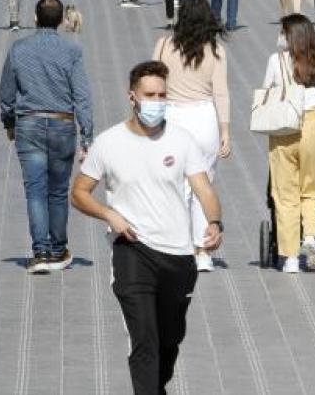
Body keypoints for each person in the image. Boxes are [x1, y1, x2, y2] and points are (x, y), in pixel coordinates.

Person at [71, 60, 223, 395]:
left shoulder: (181, 141)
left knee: (169, 341)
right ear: (132, 97)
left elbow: (204, 189)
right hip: (132, 251)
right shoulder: (108, 143)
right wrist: (109, 215)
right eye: (149, 94)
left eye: (162, 95)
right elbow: (79, 194)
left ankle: (157, 387)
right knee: (144, 341)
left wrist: (214, 222)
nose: (156, 101)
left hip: (178, 257)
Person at [0, 0, 93, 274]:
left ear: (35, 18)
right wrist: (87, 136)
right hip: (63, 124)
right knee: (58, 191)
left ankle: (39, 251)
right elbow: (82, 96)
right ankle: (58, 248)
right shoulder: (71, 51)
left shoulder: (19, 49)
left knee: (35, 190)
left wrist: (9, 122)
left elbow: (6, 91)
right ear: (62, 19)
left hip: (29, 123)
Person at [153, 0, 231, 273]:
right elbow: (220, 92)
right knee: (204, 186)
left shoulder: (164, 45)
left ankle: (176, 248)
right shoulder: (216, 50)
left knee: (175, 187)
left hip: (173, 118)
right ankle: (203, 250)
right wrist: (225, 129)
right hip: (203, 118)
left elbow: (152, 82)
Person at [261, 14, 315, 273]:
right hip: (312, 126)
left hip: (284, 128)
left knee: (285, 194)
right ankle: (310, 239)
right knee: (313, 187)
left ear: (289, 35)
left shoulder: (275, 61)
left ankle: (290, 259)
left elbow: (266, 92)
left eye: (283, 32)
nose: (280, 37)